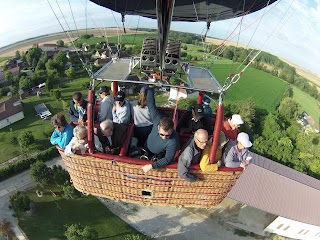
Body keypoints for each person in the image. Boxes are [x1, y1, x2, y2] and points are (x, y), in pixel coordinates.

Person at [142, 87, 179, 173]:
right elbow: (151, 105)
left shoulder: (173, 140)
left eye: (167, 135)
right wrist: (151, 87)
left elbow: (168, 158)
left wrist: (152, 165)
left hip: (156, 155)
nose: (164, 137)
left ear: (172, 130)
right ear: (158, 127)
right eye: (161, 134)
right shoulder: (157, 120)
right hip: (146, 147)